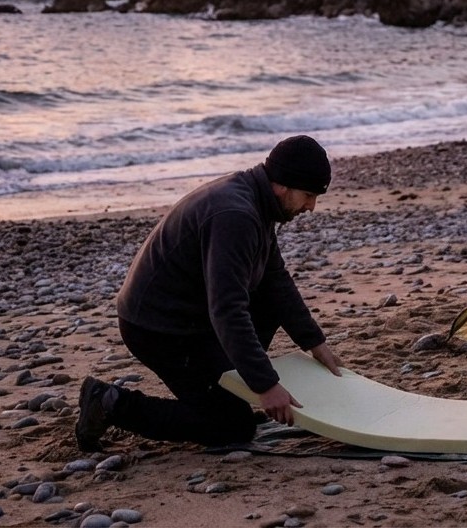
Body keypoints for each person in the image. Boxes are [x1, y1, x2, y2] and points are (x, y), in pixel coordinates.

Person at [75, 135, 344, 451]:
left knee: (269, 302)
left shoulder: (257, 201)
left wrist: (315, 343)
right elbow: (227, 309)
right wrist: (266, 385)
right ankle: (109, 402)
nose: (311, 207)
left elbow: (275, 280)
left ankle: (224, 388)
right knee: (231, 426)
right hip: (158, 328)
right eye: (309, 195)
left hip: (194, 317)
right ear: (282, 185)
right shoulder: (236, 215)